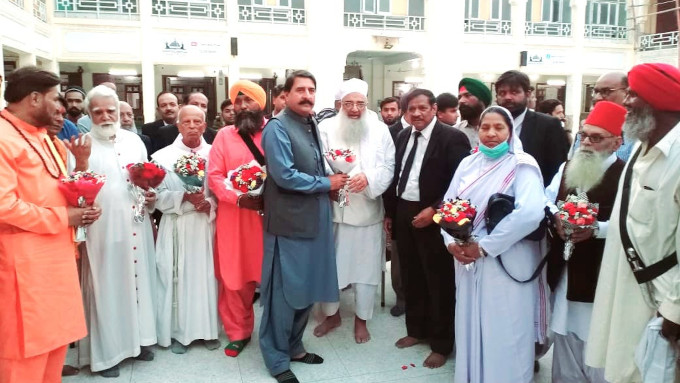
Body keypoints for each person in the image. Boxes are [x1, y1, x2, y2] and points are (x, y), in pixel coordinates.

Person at [0, 66, 99, 383]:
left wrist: (80, 206)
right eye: (54, 99)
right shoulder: (3, 138)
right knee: (24, 358)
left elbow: (59, 189)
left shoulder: (47, 139)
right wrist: (64, 217)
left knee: (54, 349)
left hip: (57, 263)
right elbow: (4, 206)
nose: (60, 107)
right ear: (33, 98)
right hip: (24, 270)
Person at [586, 63, 680, 383]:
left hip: (660, 301)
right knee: (626, 368)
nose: (626, 103)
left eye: (634, 95)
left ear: (659, 99)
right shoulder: (641, 147)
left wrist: (674, 312)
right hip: (626, 288)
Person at [444, 106, 546, 383]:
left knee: (505, 328)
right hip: (467, 260)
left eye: (498, 128)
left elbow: (531, 212)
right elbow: (448, 206)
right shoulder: (468, 163)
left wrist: (486, 246)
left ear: (510, 132)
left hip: (507, 262)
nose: (490, 134)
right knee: (470, 322)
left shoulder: (523, 164)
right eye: (485, 127)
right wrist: (451, 242)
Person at [259, 70, 348, 383]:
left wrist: (332, 183)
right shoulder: (277, 128)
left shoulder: (309, 122)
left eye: (312, 90)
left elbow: (315, 165)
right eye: (300, 90)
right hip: (289, 223)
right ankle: (276, 357)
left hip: (315, 220)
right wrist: (326, 183)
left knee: (306, 290)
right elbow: (283, 175)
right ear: (285, 95)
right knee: (284, 294)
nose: (307, 95)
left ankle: (294, 347)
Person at [384, 88, 471, 368]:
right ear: (405, 112)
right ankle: (416, 331)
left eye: (422, 108)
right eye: (411, 109)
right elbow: (395, 175)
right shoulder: (401, 136)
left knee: (438, 281)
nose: (417, 114)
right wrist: (390, 213)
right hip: (404, 212)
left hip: (434, 213)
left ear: (434, 108)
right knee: (411, 275)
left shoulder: (452, 137)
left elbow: (459, 183)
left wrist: (434, 210)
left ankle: (441, 344)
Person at [77, 85, 158, 378]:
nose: (105, 116)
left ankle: (138, 342)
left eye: (110, 110)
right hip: (102, 228)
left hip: (135, 222)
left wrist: (150, 196)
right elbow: (73, 189)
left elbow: (143, 178)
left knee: (138, 282)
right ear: (89, 114)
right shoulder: (80, 144)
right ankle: (107, 354)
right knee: (107, 286)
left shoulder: (134, 140)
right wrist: (82, 162)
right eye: (97, 111)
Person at [545, 101, 626, 383]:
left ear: (617, 142)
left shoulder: (628, 176)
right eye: (584, 136)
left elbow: (636, 227)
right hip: (565, 271)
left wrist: (597, 229)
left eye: (596, 137)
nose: (587, 143)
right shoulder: (568, 166)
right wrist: (556, 215)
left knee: (597, 345)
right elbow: (546, 198)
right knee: (565, 336)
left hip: (600, 278)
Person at [315, 78, 396, 343]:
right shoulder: (325, 127)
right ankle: (332, 314)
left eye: (360, 103)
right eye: (348, 103)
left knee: (366, 269)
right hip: (335, 211)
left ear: (366, 103)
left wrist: (368, 178)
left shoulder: (380, 129)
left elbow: (388, 166)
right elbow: (318, 159)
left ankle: (362, 319)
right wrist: (333, 179)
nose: (354, 109)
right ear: (339, 104)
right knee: (332, 267)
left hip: (368, 211)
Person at [152, 105, 220, 354]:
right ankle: (179, 333)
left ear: (204, 125)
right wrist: (183, 197)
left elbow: (223, 192)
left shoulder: (216, 153)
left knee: (207, 277)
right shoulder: (161, 157)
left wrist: (209, 203)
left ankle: (209, 330)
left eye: (198, 121)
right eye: (187, 122)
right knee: (177, 277)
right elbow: (155, 198)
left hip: (205, 225)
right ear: (178, 125)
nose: (192, 126)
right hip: (176, 224)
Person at [208, 80, 267, 358]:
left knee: (273, 274)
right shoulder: (223, 136)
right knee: (234, 277)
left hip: (269, 216)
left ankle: (276, 332)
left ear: (261, 103)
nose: (242, 106)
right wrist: (239, 197)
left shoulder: (276, 131)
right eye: (238, 101)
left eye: (249, 100)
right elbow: (215, 176)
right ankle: (238, 332)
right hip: (234, 216)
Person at [496, 70, 569, 187]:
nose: (508, 97)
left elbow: (557, 169)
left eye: (514, 92)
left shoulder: (548, 125)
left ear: (528, 94)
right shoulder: (491, 125)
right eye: (502, 93)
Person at [570, 72, 634, 161]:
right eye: (595, 92)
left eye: (606, 91)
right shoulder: (584, 132)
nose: (597, 97)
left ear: (627, 93)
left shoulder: (639, 136)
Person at [456, 78, 491, 148]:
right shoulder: (455, 131)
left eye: (467, 95)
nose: (461, 101)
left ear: (482, 99)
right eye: (459, 97)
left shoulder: (498, 129)